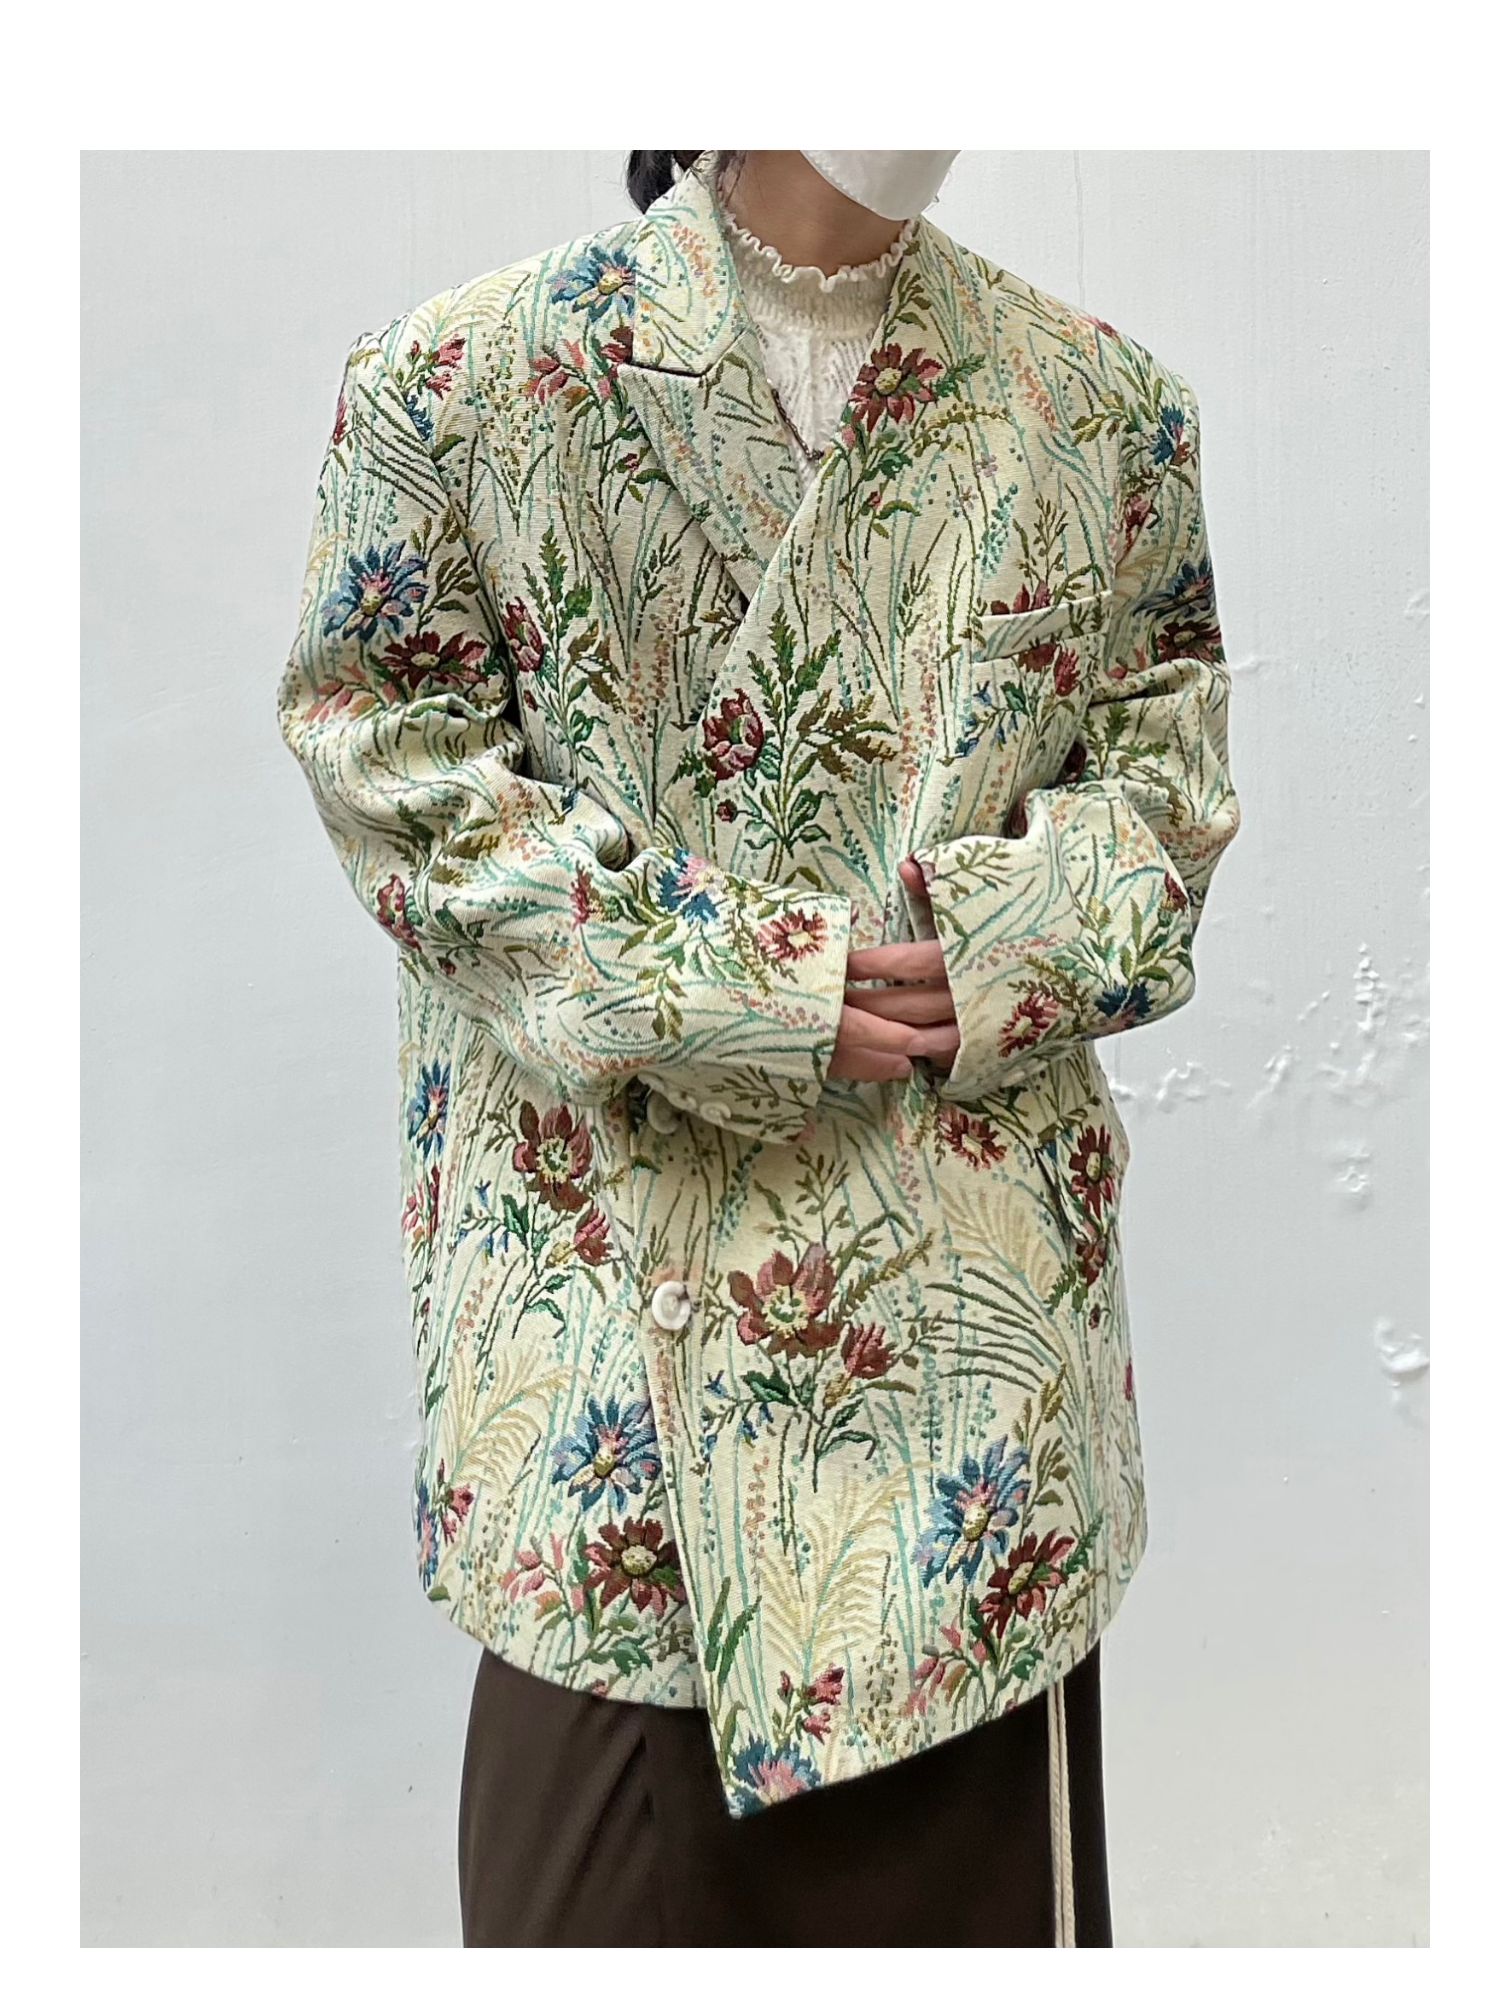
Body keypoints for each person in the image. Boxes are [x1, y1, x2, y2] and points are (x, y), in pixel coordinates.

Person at [278, 148, 1241, 1946]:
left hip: (967, 1404)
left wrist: (1009, 943)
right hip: (611, 1386)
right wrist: (747, 981)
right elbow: (392, 772)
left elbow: (1166, 789)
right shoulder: (467, 383)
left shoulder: (1102, 407)